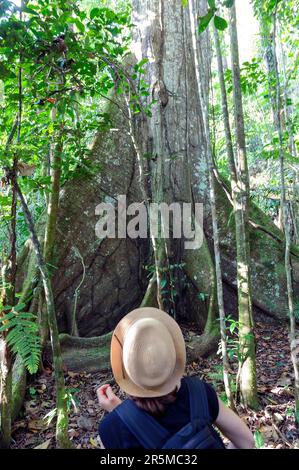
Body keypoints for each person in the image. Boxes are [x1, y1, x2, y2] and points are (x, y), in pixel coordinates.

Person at [96, 307, 255, 449]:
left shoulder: (112, 428)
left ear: (127, 366)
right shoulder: (199, 393)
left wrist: (121, 413)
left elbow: (138, 424)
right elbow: (247, 442)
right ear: (172, 354)